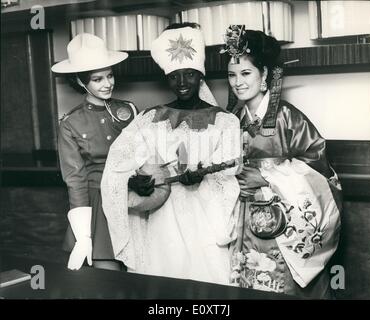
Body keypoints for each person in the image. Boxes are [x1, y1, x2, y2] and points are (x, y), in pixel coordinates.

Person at [101, 23, 241, 284]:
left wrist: (202, 178)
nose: (182, 83)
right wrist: (134, 180)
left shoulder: (226, 121)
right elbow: (119, 163)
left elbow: (232, 171)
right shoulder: (150, 118)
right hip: (162, 218)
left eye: (189, 74)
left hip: (206, 222)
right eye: (174, 76)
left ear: (200, 75)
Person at [221, 25, 342, 298]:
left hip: (285, 223)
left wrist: (267, 177)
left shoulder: (287, 118)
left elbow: (319, 166)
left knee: (282, 285)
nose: (238, 82)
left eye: (246, 73)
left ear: (264, 75)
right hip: (244, 220)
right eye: (232, 75)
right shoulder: (233, 120)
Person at [51, 33, 138, 271]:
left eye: (109, 76)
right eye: (97, 79)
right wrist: (83, 235)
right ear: (81, 82)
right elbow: (75, 180)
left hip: (134, 200)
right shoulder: (71, 123)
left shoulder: (129, 110)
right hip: (98, 208)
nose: (107, 83)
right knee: (110, 282)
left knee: (143, 281)